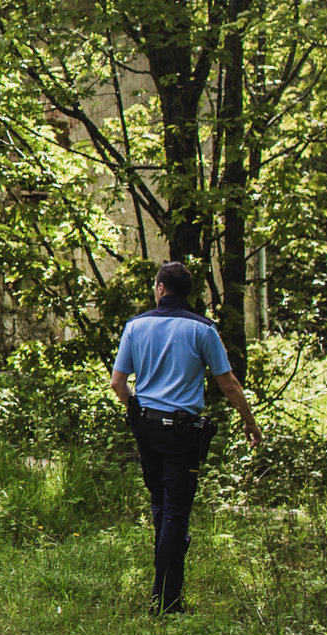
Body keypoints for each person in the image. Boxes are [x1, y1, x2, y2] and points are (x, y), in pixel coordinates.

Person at [109, 261, 261, 613]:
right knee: (176, 513)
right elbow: (228, 384)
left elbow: (118, 382)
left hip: (146, 426)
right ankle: (167, 602)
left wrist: (135, 409)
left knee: (161, 506)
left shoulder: (136, 325)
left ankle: (164, 593)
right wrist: (249, 422)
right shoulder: (204, 330)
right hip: (181, 432)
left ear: (161, 288)